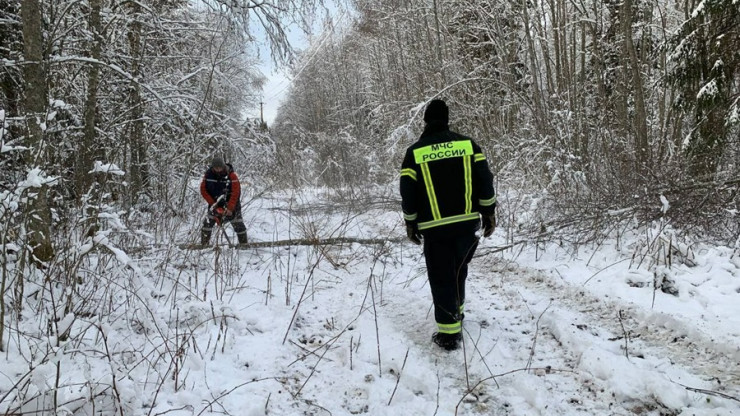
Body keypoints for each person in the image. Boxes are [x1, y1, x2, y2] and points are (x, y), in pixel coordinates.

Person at [399, 99, 497, 351]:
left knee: (441, 277)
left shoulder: (415, 152)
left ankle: (449, 334)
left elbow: (407, 191)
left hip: (434, 228)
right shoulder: (468, 145)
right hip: (466, 224)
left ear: (425, 121)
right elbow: (485, 178)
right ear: (447, 118)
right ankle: (457, 313)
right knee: (458, 269)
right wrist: (488, 212)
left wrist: (411, 222)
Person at [200, 156, 248, 246]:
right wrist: (213, 204)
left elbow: (236, 192)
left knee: (238, 224)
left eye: (220, 167)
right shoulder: (208, 175)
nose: (218, 169)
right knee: (207, 224)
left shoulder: (231, 175)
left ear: (223, 166)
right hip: (214, 203)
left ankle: (244, 245)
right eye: (216, 168)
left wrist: (230, 208)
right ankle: (204, 245)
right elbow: (203, 190)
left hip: (231, 204)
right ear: (213, 167)